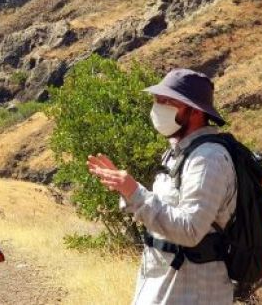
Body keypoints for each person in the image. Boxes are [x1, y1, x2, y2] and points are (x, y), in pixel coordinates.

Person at [87, 69, 237, 305]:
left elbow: (190, 229)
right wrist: (125, 190)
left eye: (168, 101)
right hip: (167, 287)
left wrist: (134, 192)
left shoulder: (208, 159)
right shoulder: (178, 152)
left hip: (193, 293)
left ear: (195, 111)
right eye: (157, 99)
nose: (158, 106)